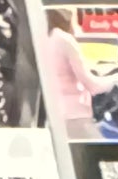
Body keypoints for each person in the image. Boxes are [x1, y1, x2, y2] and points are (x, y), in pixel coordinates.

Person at [40, 10, 113, 138]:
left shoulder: (47, 39)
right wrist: (117, 80)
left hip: (56, 117)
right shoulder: (65, 39)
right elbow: (93, 86)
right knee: (105, 154)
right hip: (76, 118)